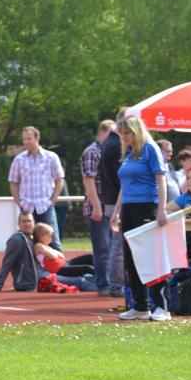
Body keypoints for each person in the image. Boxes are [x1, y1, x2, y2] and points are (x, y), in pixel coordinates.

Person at [110, 115, 169, 321]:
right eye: (122, 134)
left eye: (127, 133)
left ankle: (161, 306)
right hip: (129, 208)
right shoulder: (128, 152)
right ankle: (141, 306)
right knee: (132, 258)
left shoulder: (150, 149)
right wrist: (117, 211)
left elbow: (161, 180)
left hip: (147, 207)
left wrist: (161, 209)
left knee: (151, 257)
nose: (124, 137)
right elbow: (124, 186)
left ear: (137, 131)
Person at [8, 126, 64, 250]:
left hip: (45, 206)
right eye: (24, 139)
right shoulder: (18, 160)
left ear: (37, 138)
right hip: (27, 207)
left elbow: (59, 179)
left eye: (29, 139)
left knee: (54, 241)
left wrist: (52, 201)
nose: (26, 142)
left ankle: (58, 263)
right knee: (26, 243)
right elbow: (13, 182)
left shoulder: (51, 157)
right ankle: (29, 263)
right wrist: (19, 202)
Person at [80, 119, 116, 296]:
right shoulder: (92, 152)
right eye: (112, 134)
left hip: (110, 205)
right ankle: (103, 284)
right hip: (99, 206)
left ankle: (112, 282)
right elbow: (88, 180)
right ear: (102, 132)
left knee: (113, 248)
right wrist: (96, 206)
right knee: (103, 248)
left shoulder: (109, 151)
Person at [100, 109, 127, 298]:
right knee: (119, 245)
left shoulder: (108, 143)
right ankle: (117, 285)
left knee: (117, 244)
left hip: (112, 200)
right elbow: (122, 178)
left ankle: (117, 284)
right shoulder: (117, 145)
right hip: (117, 201)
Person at [32, 223, 96, 291]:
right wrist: (55, 253)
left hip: (64, 263)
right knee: (87, 268)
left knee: (89, 257)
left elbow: (62, 256)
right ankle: (101, 281)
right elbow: (53, 256)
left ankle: (101, 275)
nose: (51, 239)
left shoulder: (46, 246)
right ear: (41, 236)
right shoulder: (38, 246)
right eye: (49, 236)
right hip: (59, 269)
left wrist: (54, 253)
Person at [0, 212, 38, 292]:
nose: (27, 224)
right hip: (28, 284)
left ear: (34, 222)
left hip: (38, 279)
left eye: (29, 221)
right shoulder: (16, 240)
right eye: (24, 221)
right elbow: (7, 263)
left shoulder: (35, 237)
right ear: (18, 224)